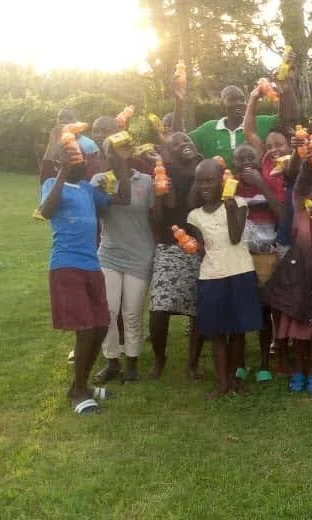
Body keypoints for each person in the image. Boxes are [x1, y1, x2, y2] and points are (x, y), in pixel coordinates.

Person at [38, 134, 115, 415]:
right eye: (71, 156)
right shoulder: (51, 184)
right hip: (66, 264)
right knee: (84, 328)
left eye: (80, 155)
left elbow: (111, 201)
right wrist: (61, 173)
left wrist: (113, 165)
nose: (78, 159)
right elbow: (46, 211)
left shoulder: (86, 188)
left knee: (101, 324)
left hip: (91, 265)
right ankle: (78, 391)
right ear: (60, 160)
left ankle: (81, 383)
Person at [186, 159, 263, 398]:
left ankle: (233, 378)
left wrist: (229, 209)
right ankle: (222, 383)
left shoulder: (238, 204)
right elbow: (200, 248)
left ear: (223, 181)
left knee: (238, 331)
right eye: (200, 181)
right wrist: (190, 246)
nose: (205, 185)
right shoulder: (194, 216)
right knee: (217, 333)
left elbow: (234, 237)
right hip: (211, 276)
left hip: (239, 272)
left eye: (210, 180)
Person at [263, 143, 312, 395]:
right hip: (300, 272)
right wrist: (309, 161)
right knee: (296, 323)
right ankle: (297, 371)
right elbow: (304, 180)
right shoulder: (300, 195)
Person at [89, 143, 156, 384]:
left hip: (140, 254)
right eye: (111, 152)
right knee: (108, 309)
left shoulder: (147, 181)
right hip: (109, 253)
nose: (116, 156)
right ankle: (112, 361)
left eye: (121, 151)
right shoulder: (99, 180)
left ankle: (132, 362)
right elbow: (106, 206)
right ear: (106, 155)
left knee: (132, 312)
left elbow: (154, 213)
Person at [148, 131, 204, 380]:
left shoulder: (205, 170)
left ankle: (192, 364)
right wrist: (159, 196)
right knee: (159, 309)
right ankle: (160, 359)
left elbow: (195, 205)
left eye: (186, 140)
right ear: (168, 151)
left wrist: (197, 169)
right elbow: (162, 213)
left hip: (202, 246)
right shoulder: (165, 172)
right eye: (176, 142)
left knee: (198, 310)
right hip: (170, 246)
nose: (183, 143)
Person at [231, 143, 284, 382]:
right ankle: (239, 362)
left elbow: (282, 214)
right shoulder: (230, 184)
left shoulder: (270, 181)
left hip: (265, 256)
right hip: (238, 254)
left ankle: (264, 363)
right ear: (234, 164)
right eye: (240, 160)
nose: (246, 163)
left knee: (264, 310)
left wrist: (261, 184)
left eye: (250, 158)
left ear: (259, 161)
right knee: (239, 309)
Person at [188, 85, 277, 169]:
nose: (239, 103)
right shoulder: (207, 129)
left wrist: (284, 90)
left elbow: (286, 118)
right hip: (220, 184)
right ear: (222, 105)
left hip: (254, 183)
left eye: (242, 100)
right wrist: (179, 101)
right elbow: (179, 141)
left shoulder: (260, 122)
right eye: (232, 100)